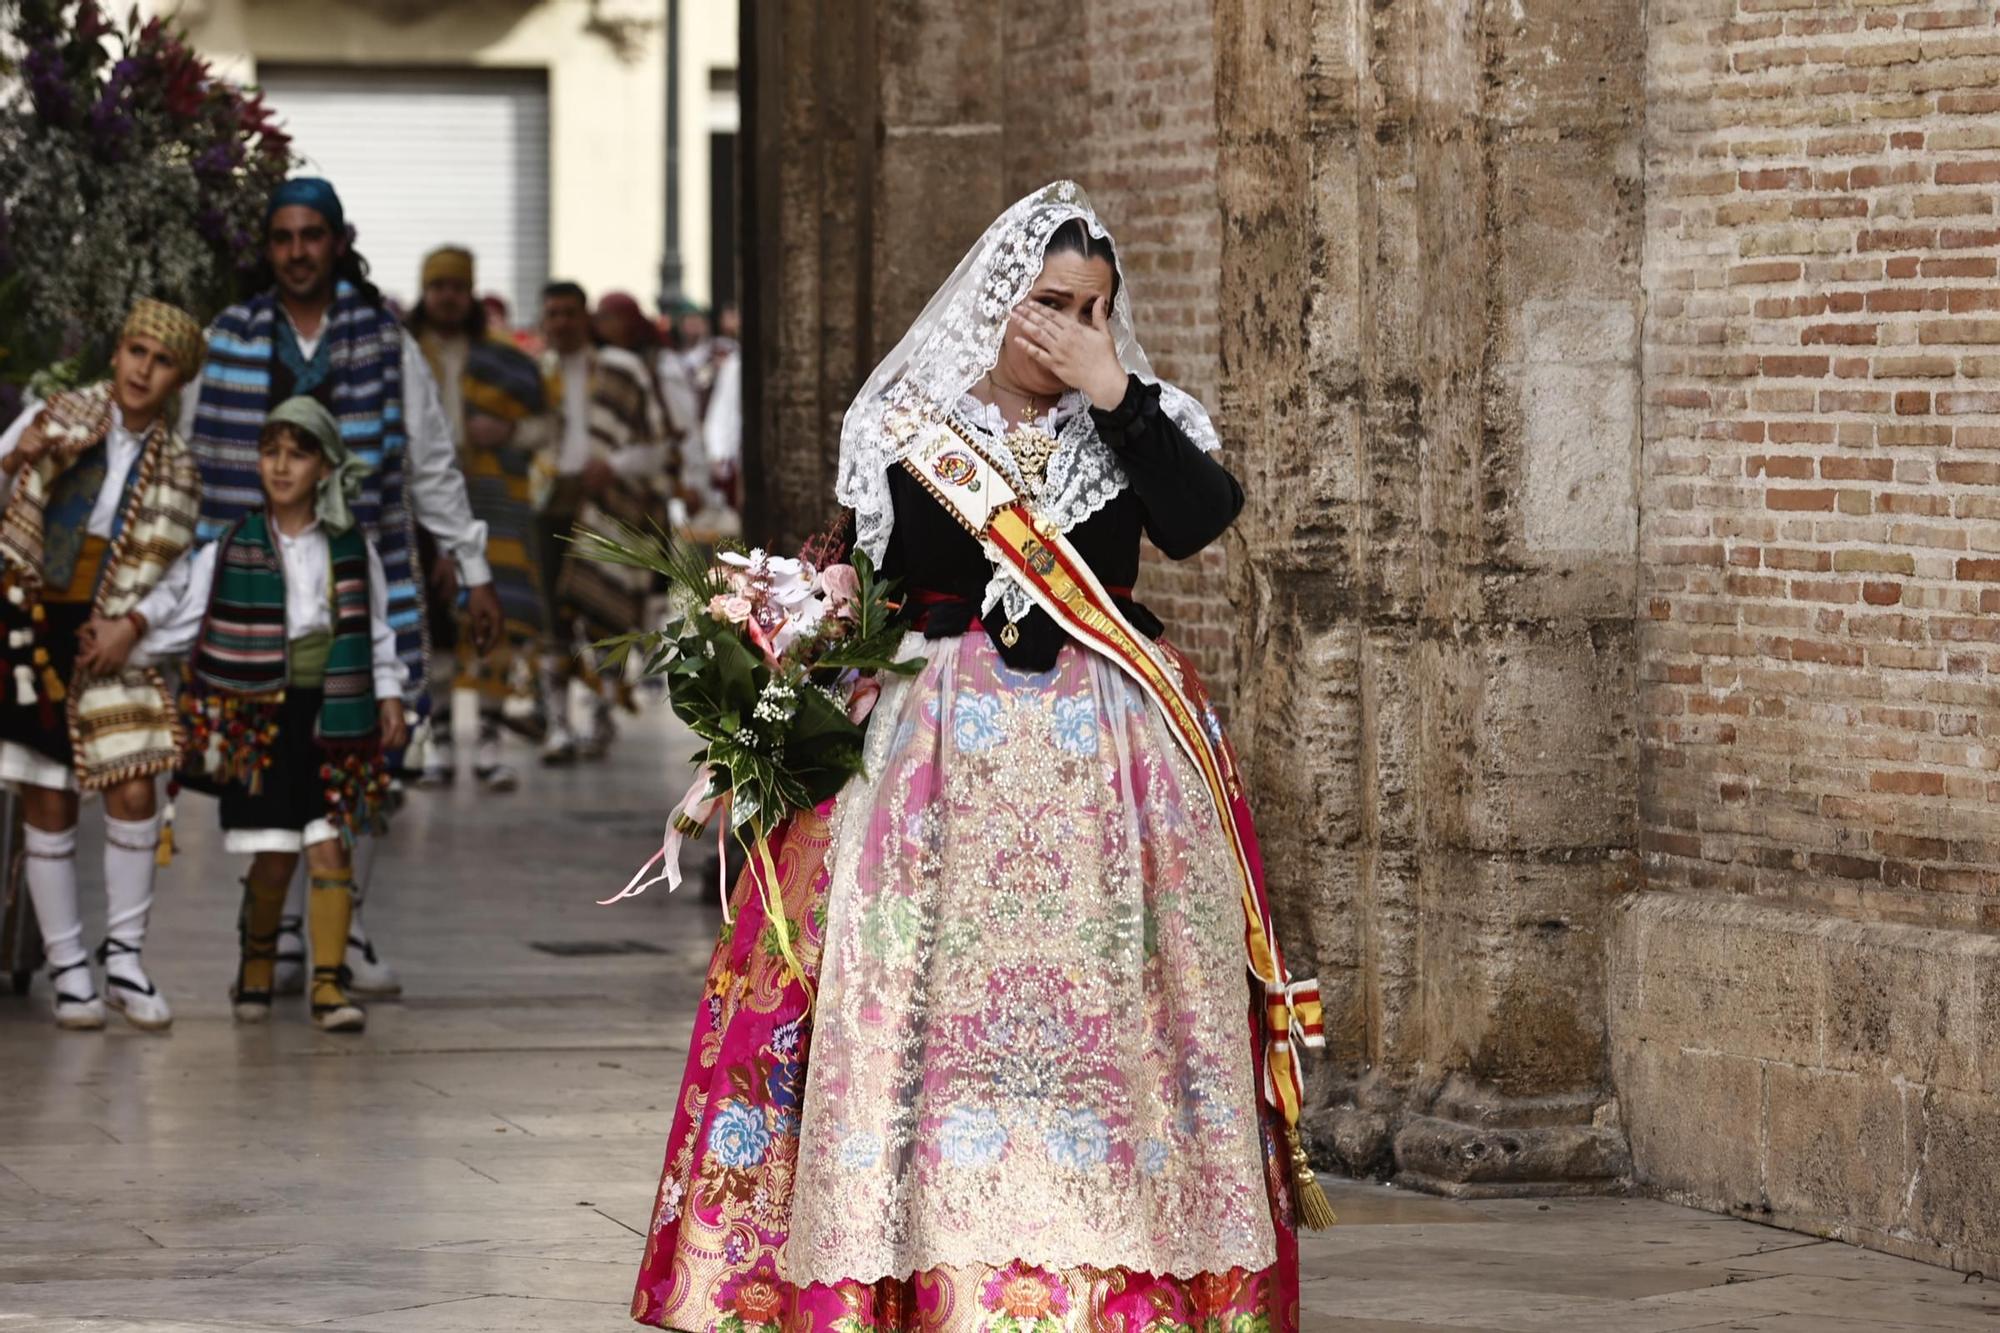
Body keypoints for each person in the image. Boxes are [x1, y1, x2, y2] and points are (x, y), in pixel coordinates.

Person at [629, 181, 1323, 1331]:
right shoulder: (904, 422)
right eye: (1051, 303)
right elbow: (861, 582)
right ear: (999, 301)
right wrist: (788, 653)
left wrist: (1116, 394)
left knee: (1119, 1003)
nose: (1071, 327)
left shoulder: (1137, 418)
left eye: (1094, 309)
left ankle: (1133, 1266)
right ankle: (912, 1259)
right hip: (932, 766)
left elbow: (1199, 521)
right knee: (913, 1006)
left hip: (1108, 761)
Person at [181, 177, 499, 997]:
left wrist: (473, 568)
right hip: (251, 587)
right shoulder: (229, 338)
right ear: (267, 247)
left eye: (311, 235)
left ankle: (344, 927)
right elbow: (185, 459)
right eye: (282, 236)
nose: (296, 251)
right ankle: (278, 933)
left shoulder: (384, 340)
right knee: (265, 761)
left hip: (360, 581)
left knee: (361, 757)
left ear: (337, 240)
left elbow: (429, 463)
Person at [136, 397, 406, 1033]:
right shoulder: (231, 546)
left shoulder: (348, 545)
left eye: (298, 453)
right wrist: (129, 643)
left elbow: (375, 629)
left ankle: (328, 987)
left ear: (324, 466)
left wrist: (389, 693)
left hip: (335, 712)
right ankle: (256, 966)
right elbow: (186, 621)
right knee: (274, 856)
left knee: (329, 845)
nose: (281, 466)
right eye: (271, 452)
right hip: (260, 721)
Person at [0, 300, 205, 1031]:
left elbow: (181, 571)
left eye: (161, 359)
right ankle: (68, 969)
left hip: (112, 630)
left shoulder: (180, 470)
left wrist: (134, 626)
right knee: (46, 794)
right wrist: (14, 462)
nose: (143, 369)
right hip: (33, 621)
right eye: (134, 351)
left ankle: (124, 956)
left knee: (134, 782)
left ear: (179, 377)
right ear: (115, 353)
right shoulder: (52, 416)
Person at [407, 246, 550, 792]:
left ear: (469, 294)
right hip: (418, 501)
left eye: (456, 287)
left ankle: (489, 745)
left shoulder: (503, 361)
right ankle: (438, 746)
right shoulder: (405, 353)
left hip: (493, 501)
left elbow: (545, 428)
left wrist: (509, 433)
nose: (446, 296)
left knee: (500, 616)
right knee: (433, 625)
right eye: (437, 286)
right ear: (426, 292)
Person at [535, 281, 667, 764]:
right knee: (550, 618)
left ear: (585, 316)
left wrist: (613, 466)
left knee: (603, 615)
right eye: (552, 313)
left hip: (609, 504)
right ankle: (556, 724)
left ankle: (600, 716)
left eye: (570, 312)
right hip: (548, 506)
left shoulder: (621, 369)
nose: (561, 322)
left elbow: (657, 445)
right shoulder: (537, 375)